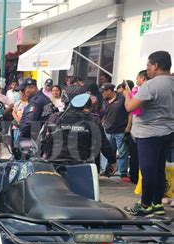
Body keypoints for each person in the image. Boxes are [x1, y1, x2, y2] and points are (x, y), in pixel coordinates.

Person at [124, 51, 174, 216]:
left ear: (155, 66)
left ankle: (145, 205)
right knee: (159, 169)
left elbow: (130, 107)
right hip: (167, 132)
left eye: (148, 66)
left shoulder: (151, 85)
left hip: (149, 133)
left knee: (147, 170)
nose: (147, 70)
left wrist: (126, 95)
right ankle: (157, 203)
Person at [41, 93, 117, 171]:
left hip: (54, 163)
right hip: (81, 164)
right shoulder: (93, 120)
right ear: (87, 107)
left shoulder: (54, 117)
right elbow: (103, 143)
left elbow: (43, 139)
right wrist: (112, 161)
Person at [100, 83, 130, 182]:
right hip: (108, 130)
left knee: (122, 152)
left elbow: (130, 113)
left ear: (109, 91)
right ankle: (107, 170)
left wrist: (128, 128)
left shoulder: (122, 98)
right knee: (108, 151)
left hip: (121, 130)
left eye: (104, 91)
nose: (102, 93)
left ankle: (123, 173)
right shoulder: (104, 100)